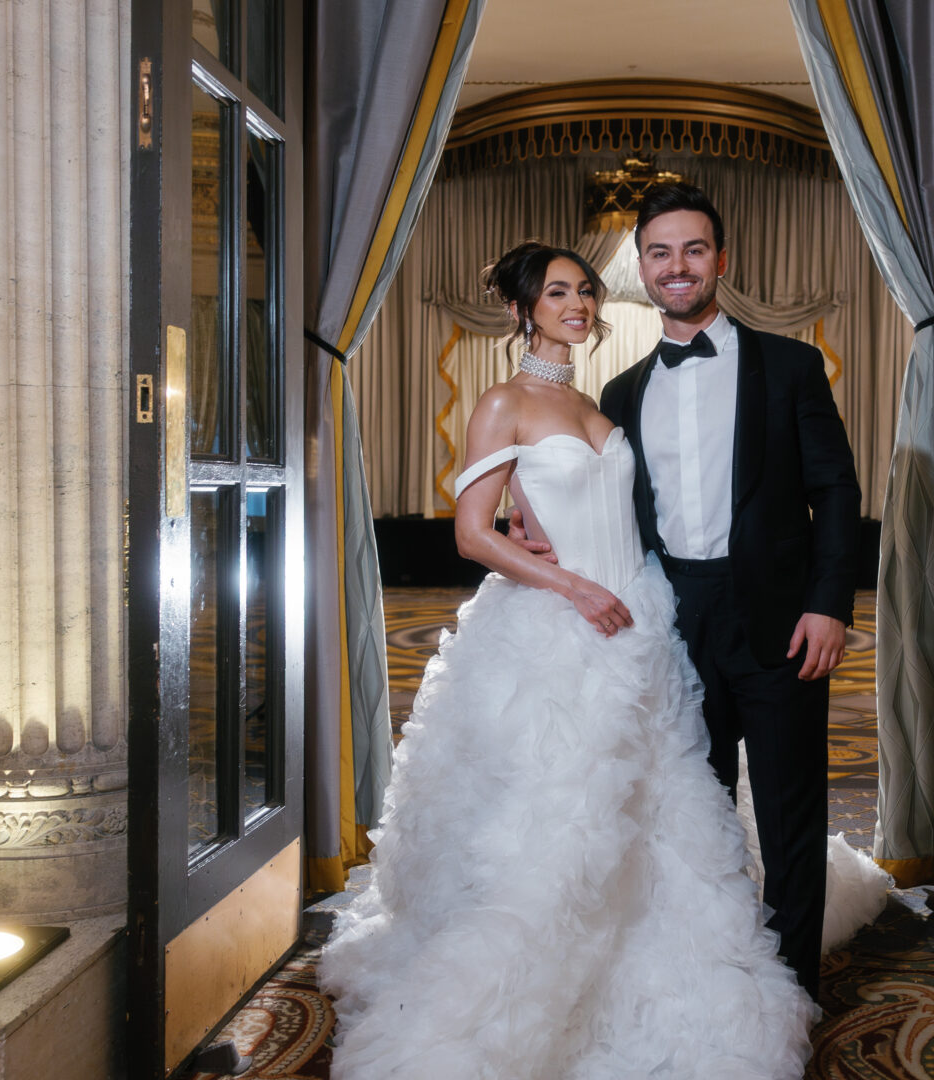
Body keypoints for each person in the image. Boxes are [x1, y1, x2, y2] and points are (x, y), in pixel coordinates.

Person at [318, 242, 817, 1079]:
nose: (579, 304)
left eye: (585, 290)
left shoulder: (600, 399)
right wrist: (570, 585)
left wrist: (555, 537)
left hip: (642, 620)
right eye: (557, 293)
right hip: (558, 628)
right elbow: (470, 534)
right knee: (562, 818)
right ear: (522, 310)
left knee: (656, 808)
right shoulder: (502, 402)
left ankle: (659, 968)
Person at [596, 183, 862, 997]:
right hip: (673, 624)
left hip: (783, 620)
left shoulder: (790, 365)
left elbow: (835, 490)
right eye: (660, 252)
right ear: (642, 266)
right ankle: (709, 984)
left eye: (693, 249)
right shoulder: (620, 393)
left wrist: (830, 604)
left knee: (789, 814)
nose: (676, 266)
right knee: (692, 818)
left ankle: (792, 993)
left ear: (721, 259)